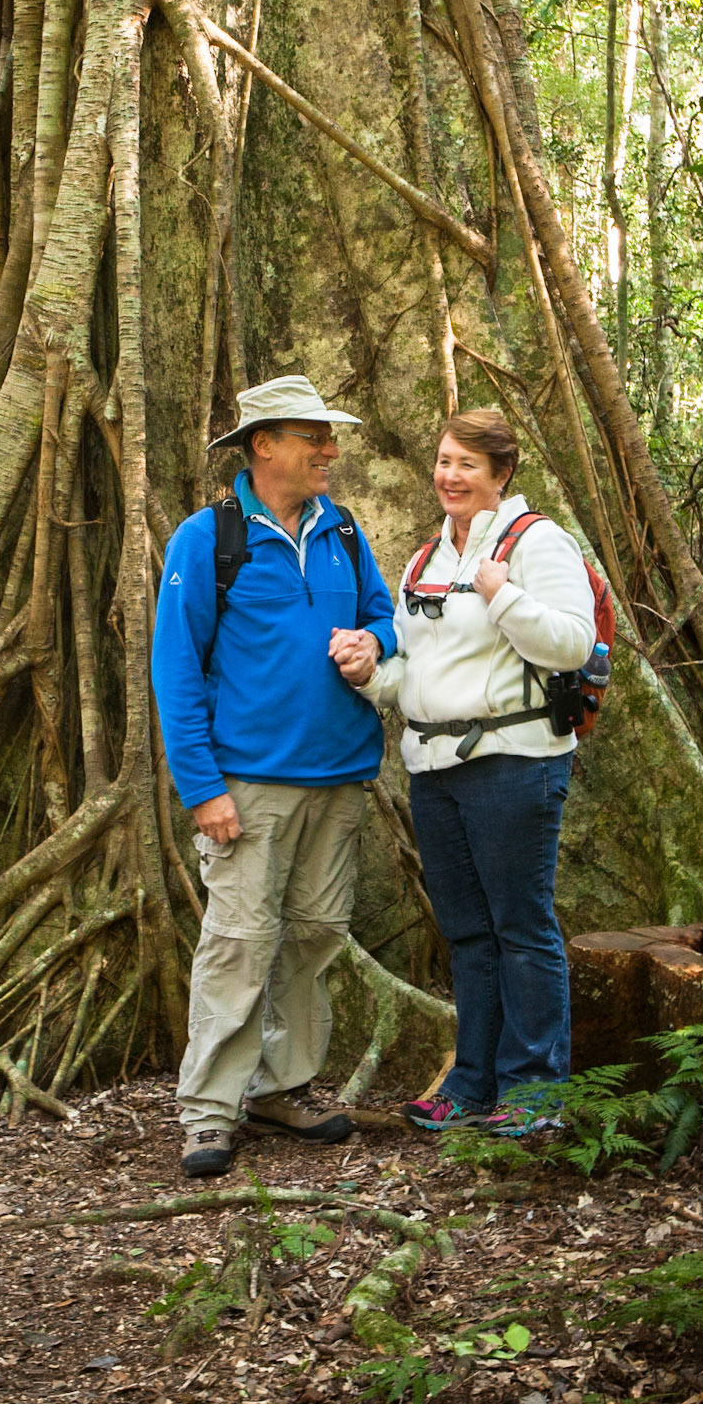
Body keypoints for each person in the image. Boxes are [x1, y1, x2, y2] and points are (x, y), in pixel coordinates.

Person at [152, 374, 396, 1178]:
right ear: (263, 446)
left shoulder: (344, 530)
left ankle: (279, 1088)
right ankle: (209, 1113)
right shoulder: (207, 539)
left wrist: (375, 646)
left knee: (317, 934)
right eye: (313, 438)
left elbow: (382, 615)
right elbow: (176, 668)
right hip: (247, 783)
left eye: (329, 437)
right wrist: (201, 787)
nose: (330, 451)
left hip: (340, 775)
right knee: (239, 943)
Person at [332, 409, 594, 1136]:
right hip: (432, 766)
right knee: (468, 934)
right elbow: (412, 671)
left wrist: (501, 594)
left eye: (466, 465)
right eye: (443, 461)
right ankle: (470, 1083)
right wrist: (368, 673)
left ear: (500, 474)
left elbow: (572, 644)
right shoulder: (424, 559)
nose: (449, 476)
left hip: (513, 764)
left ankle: (534, 1090)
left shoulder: (536, 541)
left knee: (520, 925)